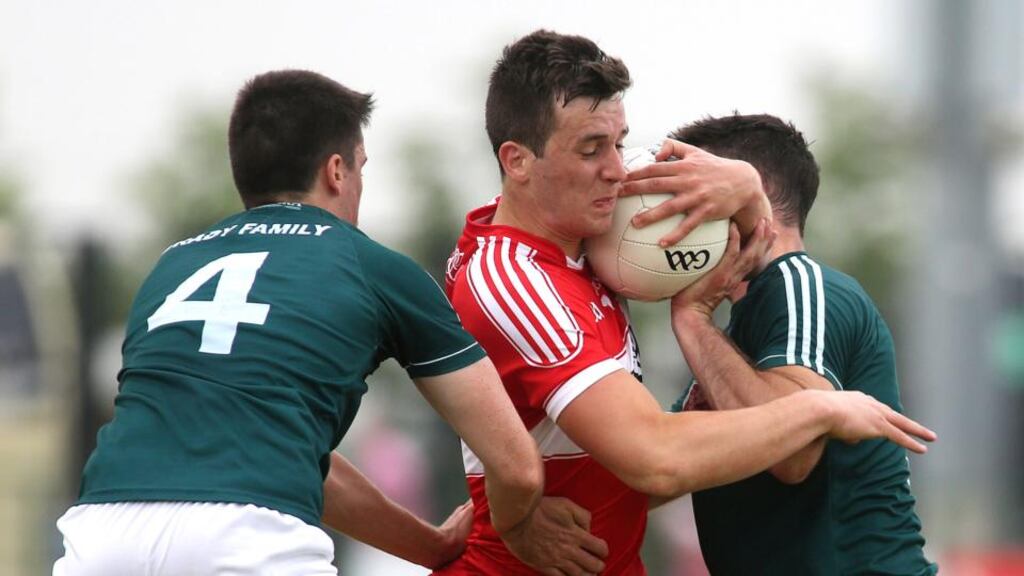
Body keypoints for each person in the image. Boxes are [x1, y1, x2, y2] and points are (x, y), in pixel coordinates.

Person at [52, 69, 608, 575]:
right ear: (337, 171)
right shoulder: (372, 266)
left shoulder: (170, 267)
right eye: (362, 167)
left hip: (102, 532)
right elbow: (517, 466)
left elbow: (304, 458)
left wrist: (434, 548)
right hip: (249, 537)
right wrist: (517, 528)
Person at [438, 29, 936, 575]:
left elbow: (630, 460)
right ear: (517, 162)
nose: (618, 170)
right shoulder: (517, 281)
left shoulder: (585, 252)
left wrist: (745, 186)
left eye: (619, 144)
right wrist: (821, 407)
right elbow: (655, 458)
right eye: (590, 149)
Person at [666, 113, 937, 575]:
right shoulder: (731, 335)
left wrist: (691, 321)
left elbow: (792, 453)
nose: (673, 216)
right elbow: (662, 464)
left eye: (691, 194)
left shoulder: (799, 285)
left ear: (748, 194)